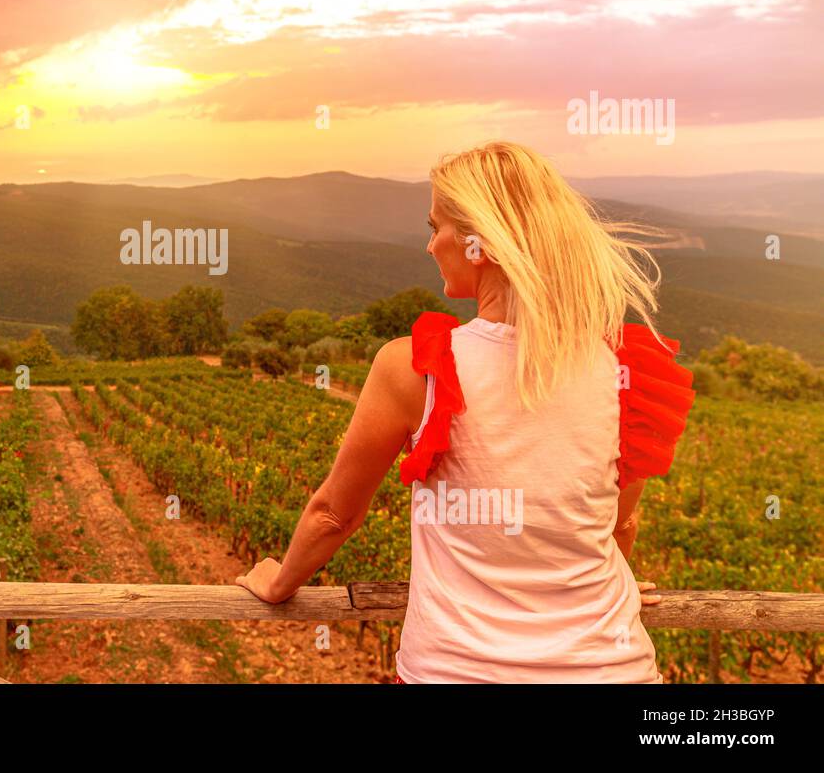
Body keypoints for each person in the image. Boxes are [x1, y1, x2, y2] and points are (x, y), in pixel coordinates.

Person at [236, 141, 695, 683]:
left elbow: (335, 513)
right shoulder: (626, 369)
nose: (431, 246)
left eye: (436, 227)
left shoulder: (416, 367)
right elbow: (619, 525)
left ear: (479, 240)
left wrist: (277, 582)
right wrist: (606, 587)